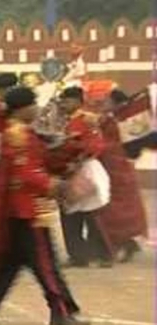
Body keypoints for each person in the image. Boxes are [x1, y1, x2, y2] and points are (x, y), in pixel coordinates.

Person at [0, 86, 88, 325]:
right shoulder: (17, 134)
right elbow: (26, 172)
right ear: (23, 108)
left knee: (8, 264)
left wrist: (65, 153)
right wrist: (53, 185)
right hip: (28, 212)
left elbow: (38, 162)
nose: (37, 108)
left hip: (19, 212)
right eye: (33, 103)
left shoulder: (23, 132)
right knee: (46, 266)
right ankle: (62, 314)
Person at [56, 87, 111, 268]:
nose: (64, 104)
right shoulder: (63, 121)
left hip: (85, 169)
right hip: (68, 170)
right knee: (70, 214)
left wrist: (79, 159)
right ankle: (78, 256)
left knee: (92, 215)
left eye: (67, 100)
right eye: (63, 101)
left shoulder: (87, 120)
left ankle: (103, 254)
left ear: (79, 101)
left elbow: (97, 145)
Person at [95, 89, 148, 263]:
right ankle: (123, 244)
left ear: (116, 103)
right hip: (110, 168)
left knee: (118, 211)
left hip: (118, 169)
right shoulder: (108, 118)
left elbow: (124, 144)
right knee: (111, 211)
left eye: (107, 100)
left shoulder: (122, 120)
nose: (103, 103)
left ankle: (123, 244)